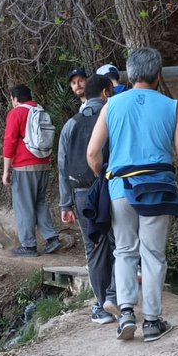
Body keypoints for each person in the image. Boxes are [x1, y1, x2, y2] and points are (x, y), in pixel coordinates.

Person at [87, 47, 178, 342]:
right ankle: (152, 322)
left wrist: (104, 174)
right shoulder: (170, 106)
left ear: (131, 73)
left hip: (121, 189)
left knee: (124, 251)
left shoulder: (111, 105)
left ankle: (125, 312)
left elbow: (93, 152)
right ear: (158, 75)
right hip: (159, 188)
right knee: (153, 255)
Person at [58, 74, 118, 324]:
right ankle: (116, 297)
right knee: (121, 245)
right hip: (113, 188)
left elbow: (62, 166)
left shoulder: (71, 124)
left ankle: (101, 307)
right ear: (106, 93)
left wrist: (65, 203)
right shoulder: (114, 117)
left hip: (83, 194)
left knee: (94, 249)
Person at [3, 84, 61, 257]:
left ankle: (28, 246)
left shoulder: (16, 113)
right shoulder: (40, 111)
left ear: (15, 98)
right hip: (43, 164)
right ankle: (52, 239)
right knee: (40, 202)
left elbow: (10, 142)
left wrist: (6, 170)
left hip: (24, 166)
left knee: (24, 206)